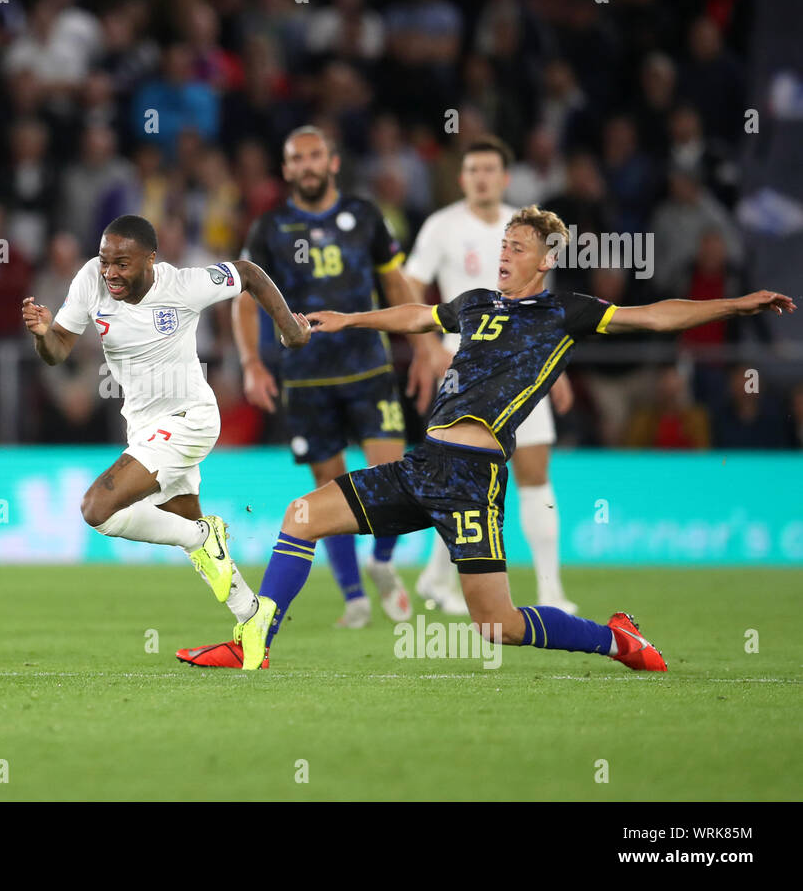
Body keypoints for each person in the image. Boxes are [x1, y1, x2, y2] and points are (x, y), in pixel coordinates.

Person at [180, 205, 793, 671]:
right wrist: (351, 318)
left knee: (496, 626)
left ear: (545, 259)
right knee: (302, 513)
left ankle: (616, 639)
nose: (505, 253)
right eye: (503, 243)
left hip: (474, 480)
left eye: (518, 246)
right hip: (424, 465)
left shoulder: (565, 314)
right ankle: (253, 644)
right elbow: (417, 316)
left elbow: (655, 315)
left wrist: (736, 305)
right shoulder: (475, 303)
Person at [21, 214, 310, 670]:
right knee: (190, 538)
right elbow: (58, 350)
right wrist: (42, 335)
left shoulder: (184, 285)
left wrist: (289, 328)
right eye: (104, 261)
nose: (110, 272)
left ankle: (203, 534)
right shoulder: (90, 282)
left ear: (151, 260)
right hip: (143, 428)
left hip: (191, 418)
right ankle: (251, 623)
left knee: (97, 509)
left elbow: (250, 274)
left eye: (122, 263)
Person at [232, 125, 444, 630]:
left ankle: (383, 561)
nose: (306, 165)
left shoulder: (365, 217)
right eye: (295, 158)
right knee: (328, 491)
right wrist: (250, 363)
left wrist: (424, 342)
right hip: (304, 379)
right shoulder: (269, 228)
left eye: (314, 156)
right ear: (286, 169)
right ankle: (354, 598)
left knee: (392, 473)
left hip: (368, 367)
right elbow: (245, 299)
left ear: (332, 163)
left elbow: (395, 280)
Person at [406, 135, 577, 614]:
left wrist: (555, 365)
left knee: (535, 472)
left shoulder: (524, 226)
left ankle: (549, 591)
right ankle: (437, 578)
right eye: (472, 169)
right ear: (462, 178)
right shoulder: (441, 226)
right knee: (460, 471)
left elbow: (547, 303)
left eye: (489, 170)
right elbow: (411, 285)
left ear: (505, 177)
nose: (480, 177)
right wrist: (426, 348)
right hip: (465, 365)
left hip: (524, 363)